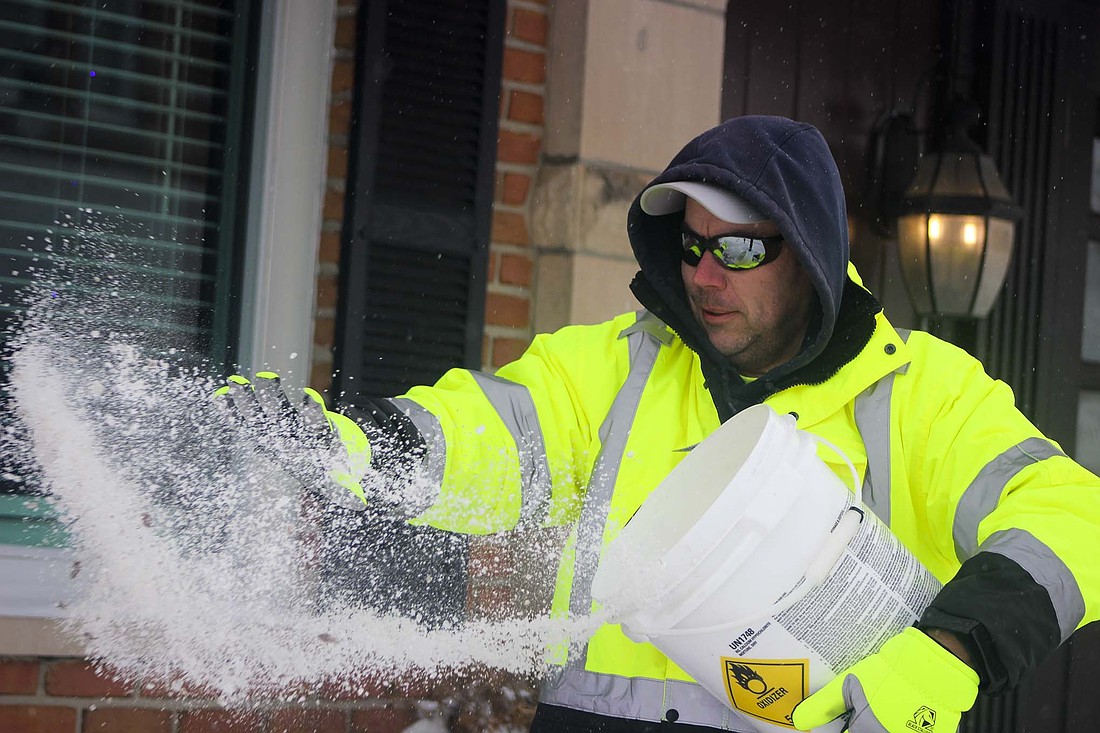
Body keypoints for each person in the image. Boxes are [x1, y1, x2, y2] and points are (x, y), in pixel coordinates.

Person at [224, 115, 1100, 733]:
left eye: (742, 248)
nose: (707, 273)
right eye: (691, 243)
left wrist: (947, 652)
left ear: (814, 254)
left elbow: (1073, 515)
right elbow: (495, 427)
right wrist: (370, 447)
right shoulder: (614, 366)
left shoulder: (922, 392)